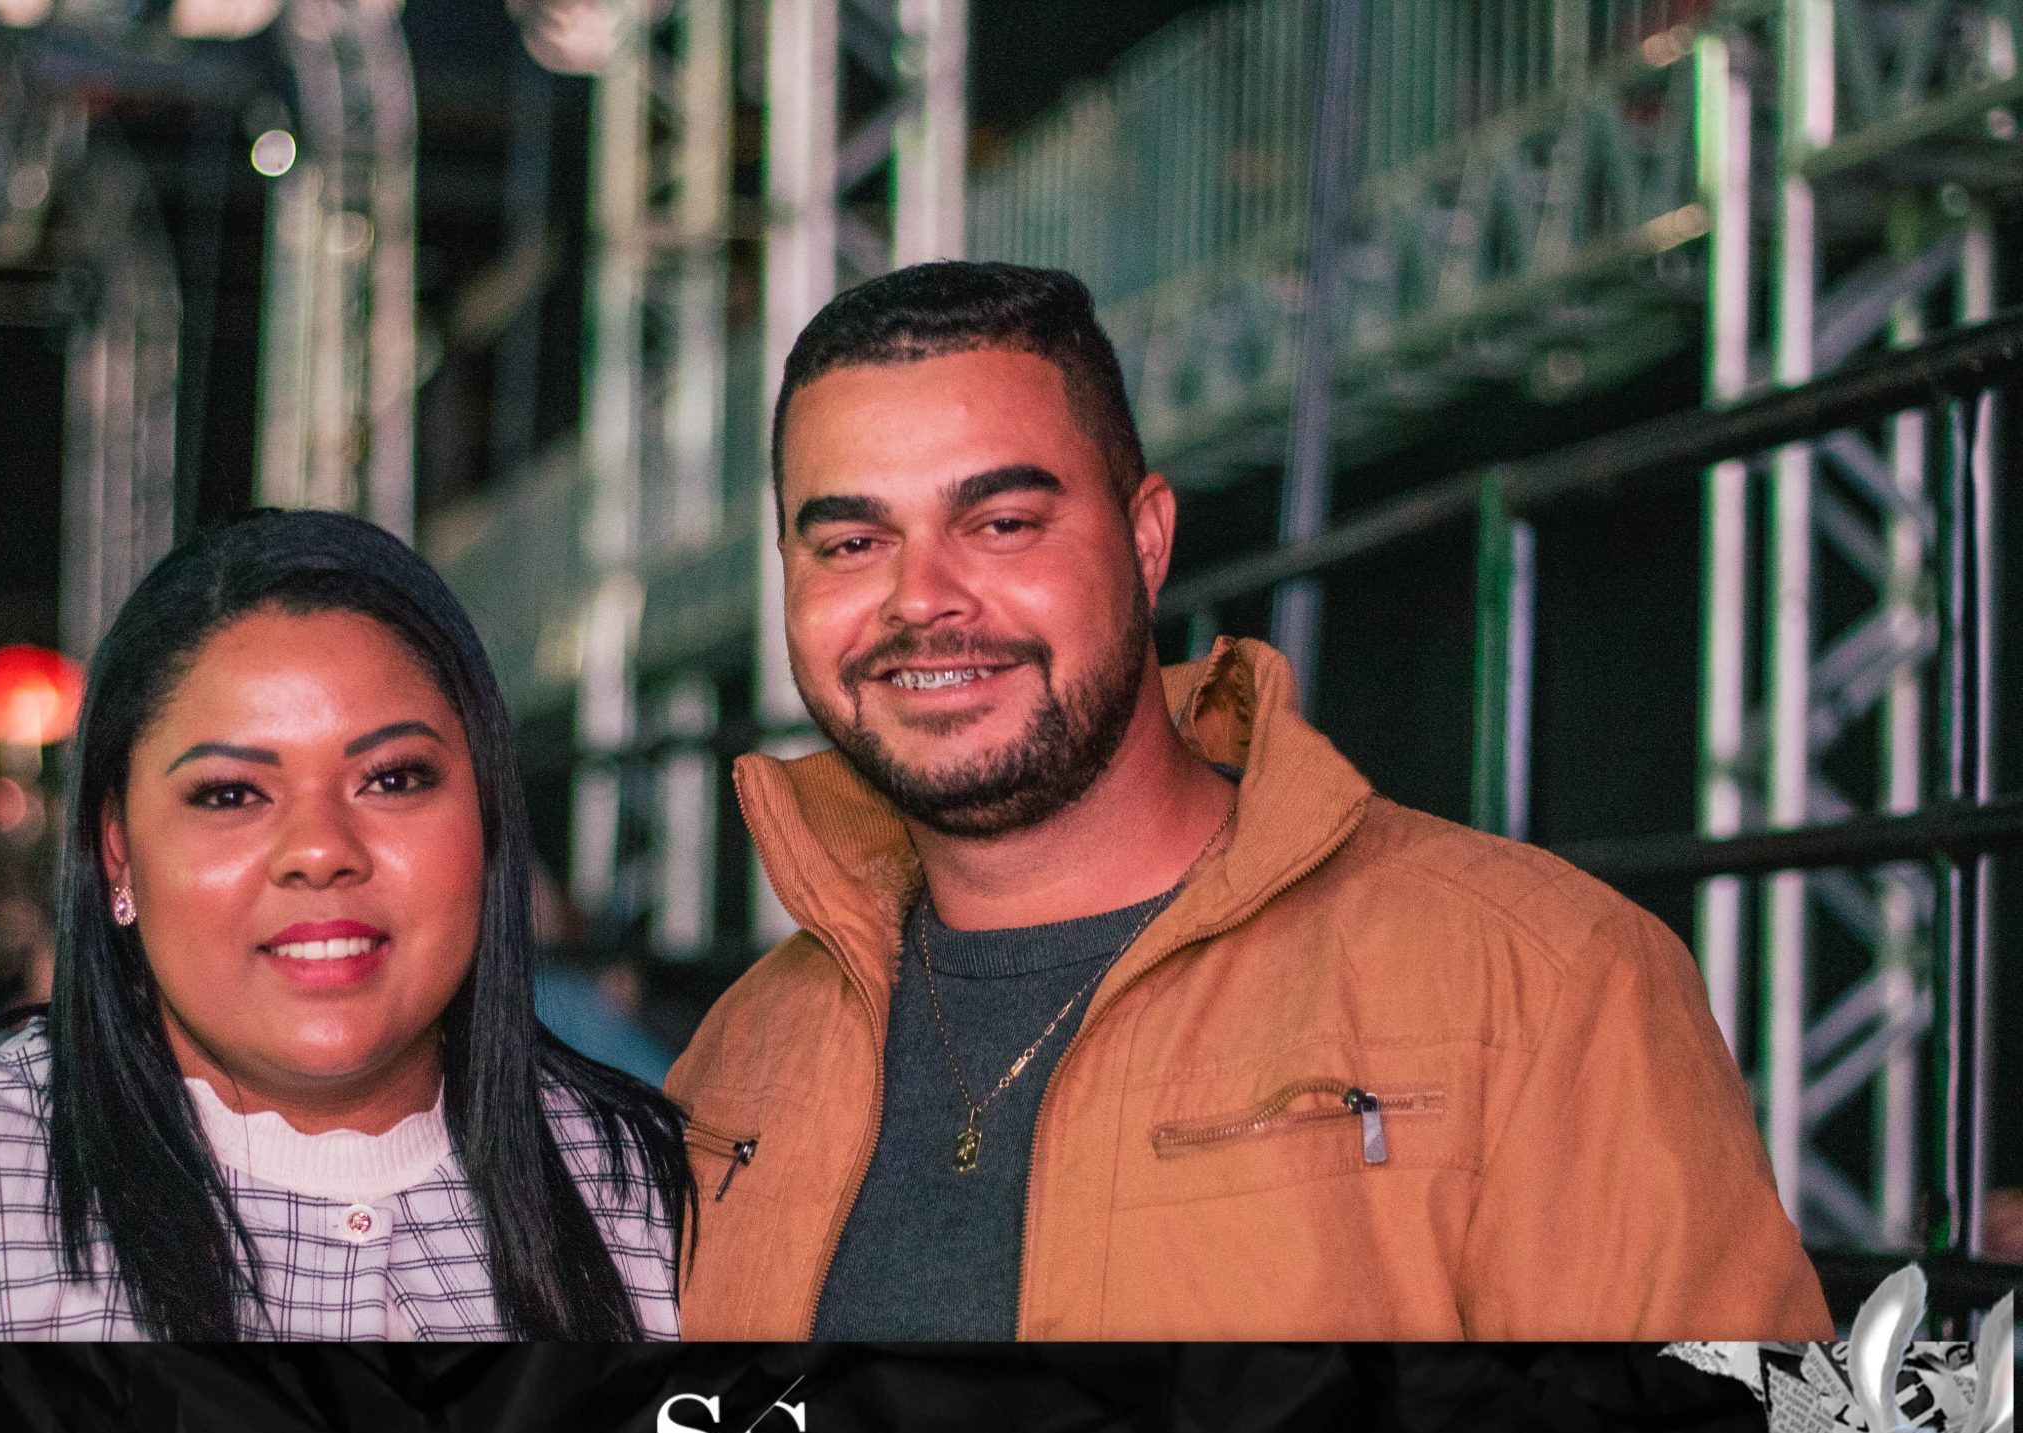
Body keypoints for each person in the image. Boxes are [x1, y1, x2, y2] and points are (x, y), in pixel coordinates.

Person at [666, 260, 1833, 1341]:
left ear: (1146, 541)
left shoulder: (1543, 988)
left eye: (1003, 524)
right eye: (852, 543)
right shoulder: (737, 1060)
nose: (921, 599)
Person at [0, 510, 693, 1341]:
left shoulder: (652, 1197)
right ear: (118, 852)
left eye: (393, 779)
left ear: (487, 820)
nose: (320, 849)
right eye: (231, 794)